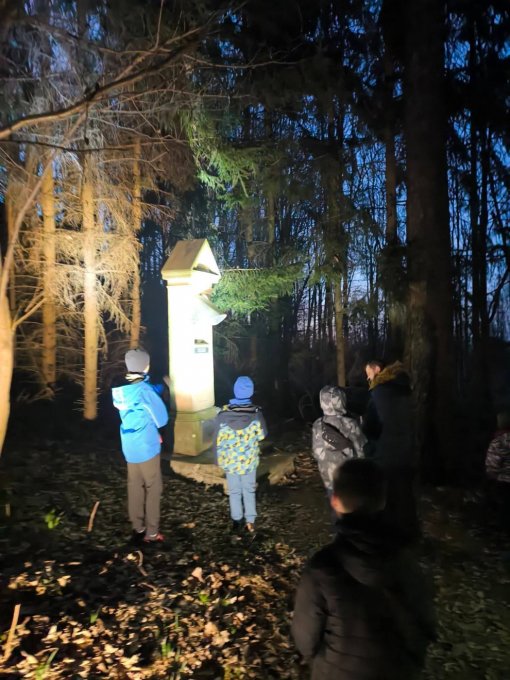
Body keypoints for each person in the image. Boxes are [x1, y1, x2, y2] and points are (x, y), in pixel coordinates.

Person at [292, 459, 436, 680]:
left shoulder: (321, 567)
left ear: (335, 501)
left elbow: (305, 640)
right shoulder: (405, 561)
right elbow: (424, 622)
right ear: (382, 501)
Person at [112, 348, 169, 543]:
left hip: (130, 446)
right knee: (153, 487)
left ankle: (137, 527)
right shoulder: (144, 391)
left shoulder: (122, 390)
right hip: (147, 446)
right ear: (146, 366)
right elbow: (161, 419)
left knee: (134, 485)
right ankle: (152, 533)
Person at [363, 360, 419, 543]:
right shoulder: (405, 391)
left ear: (377, 369)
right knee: (405, 492)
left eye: (369, 373)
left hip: (385, 452)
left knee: (387, 495)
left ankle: (390, 536)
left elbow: (370, 427)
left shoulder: (378, 393)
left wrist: (369, 448)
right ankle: (410, 533)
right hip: (406, 450)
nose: (368, 378)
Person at [213, 376, 267, 536]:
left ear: (235, 391)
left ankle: (237, 521)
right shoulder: (256, 414)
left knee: (234, 491)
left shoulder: (223, 414)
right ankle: (250, 521)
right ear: (251, 392)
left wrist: (217, 459)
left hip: (230, 462)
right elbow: (262, 435)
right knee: (249, 490)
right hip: (249, 462)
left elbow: (217, 439)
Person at [312, 385, 367, 496]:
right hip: (348, 477)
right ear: (341, 400)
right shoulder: (350, 424)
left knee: (334, 499)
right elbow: (361, 451)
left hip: (328, 477)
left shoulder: (317, 424)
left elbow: (316, 452)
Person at [485, 411, 510, 528]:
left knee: (504, 505)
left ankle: (502, 527)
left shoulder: (499, 441)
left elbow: (493, 463)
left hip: (504, 481)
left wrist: (491, 475)